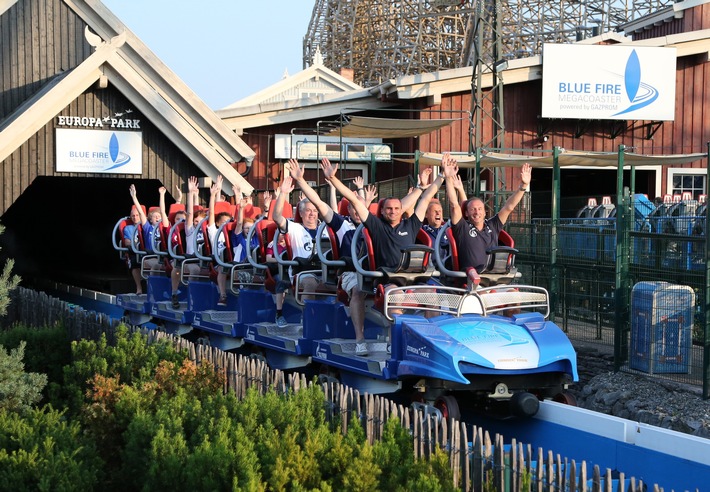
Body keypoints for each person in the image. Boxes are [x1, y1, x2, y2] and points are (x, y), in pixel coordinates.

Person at [323, 154, 449, 347]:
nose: (393, 211)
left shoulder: (412, 224)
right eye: (389, 209)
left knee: (432, 296)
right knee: (396, 298)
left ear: (402, 209)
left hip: (413, 280)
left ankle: (431, 345)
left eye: (397, 208)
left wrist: (441, 176)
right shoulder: (376, 226)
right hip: (389, 282)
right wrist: (333, 179)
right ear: (382, 211)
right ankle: (396, 343)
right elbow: (354, 201)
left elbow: (425, 199)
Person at [286, 158, 378, 355]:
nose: (357, 211)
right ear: (349, 209)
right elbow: (319, 204)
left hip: (377, 272)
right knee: (358, 289)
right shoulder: (343, 225)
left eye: (361, 207)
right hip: (351, 273)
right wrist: (301, 181)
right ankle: (360, 340)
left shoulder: (375, 226)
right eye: (353, 207)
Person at [443, 158, 531, 273]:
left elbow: (509, 207)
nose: (477, 212)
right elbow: (454, 205)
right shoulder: (462, 228)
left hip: (495, 278)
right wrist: (448, 178)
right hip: (472, 280)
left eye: (480, 209)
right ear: (466, 213)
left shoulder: (492, 225)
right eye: (473, 209)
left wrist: (523, 186)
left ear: (485, 212)